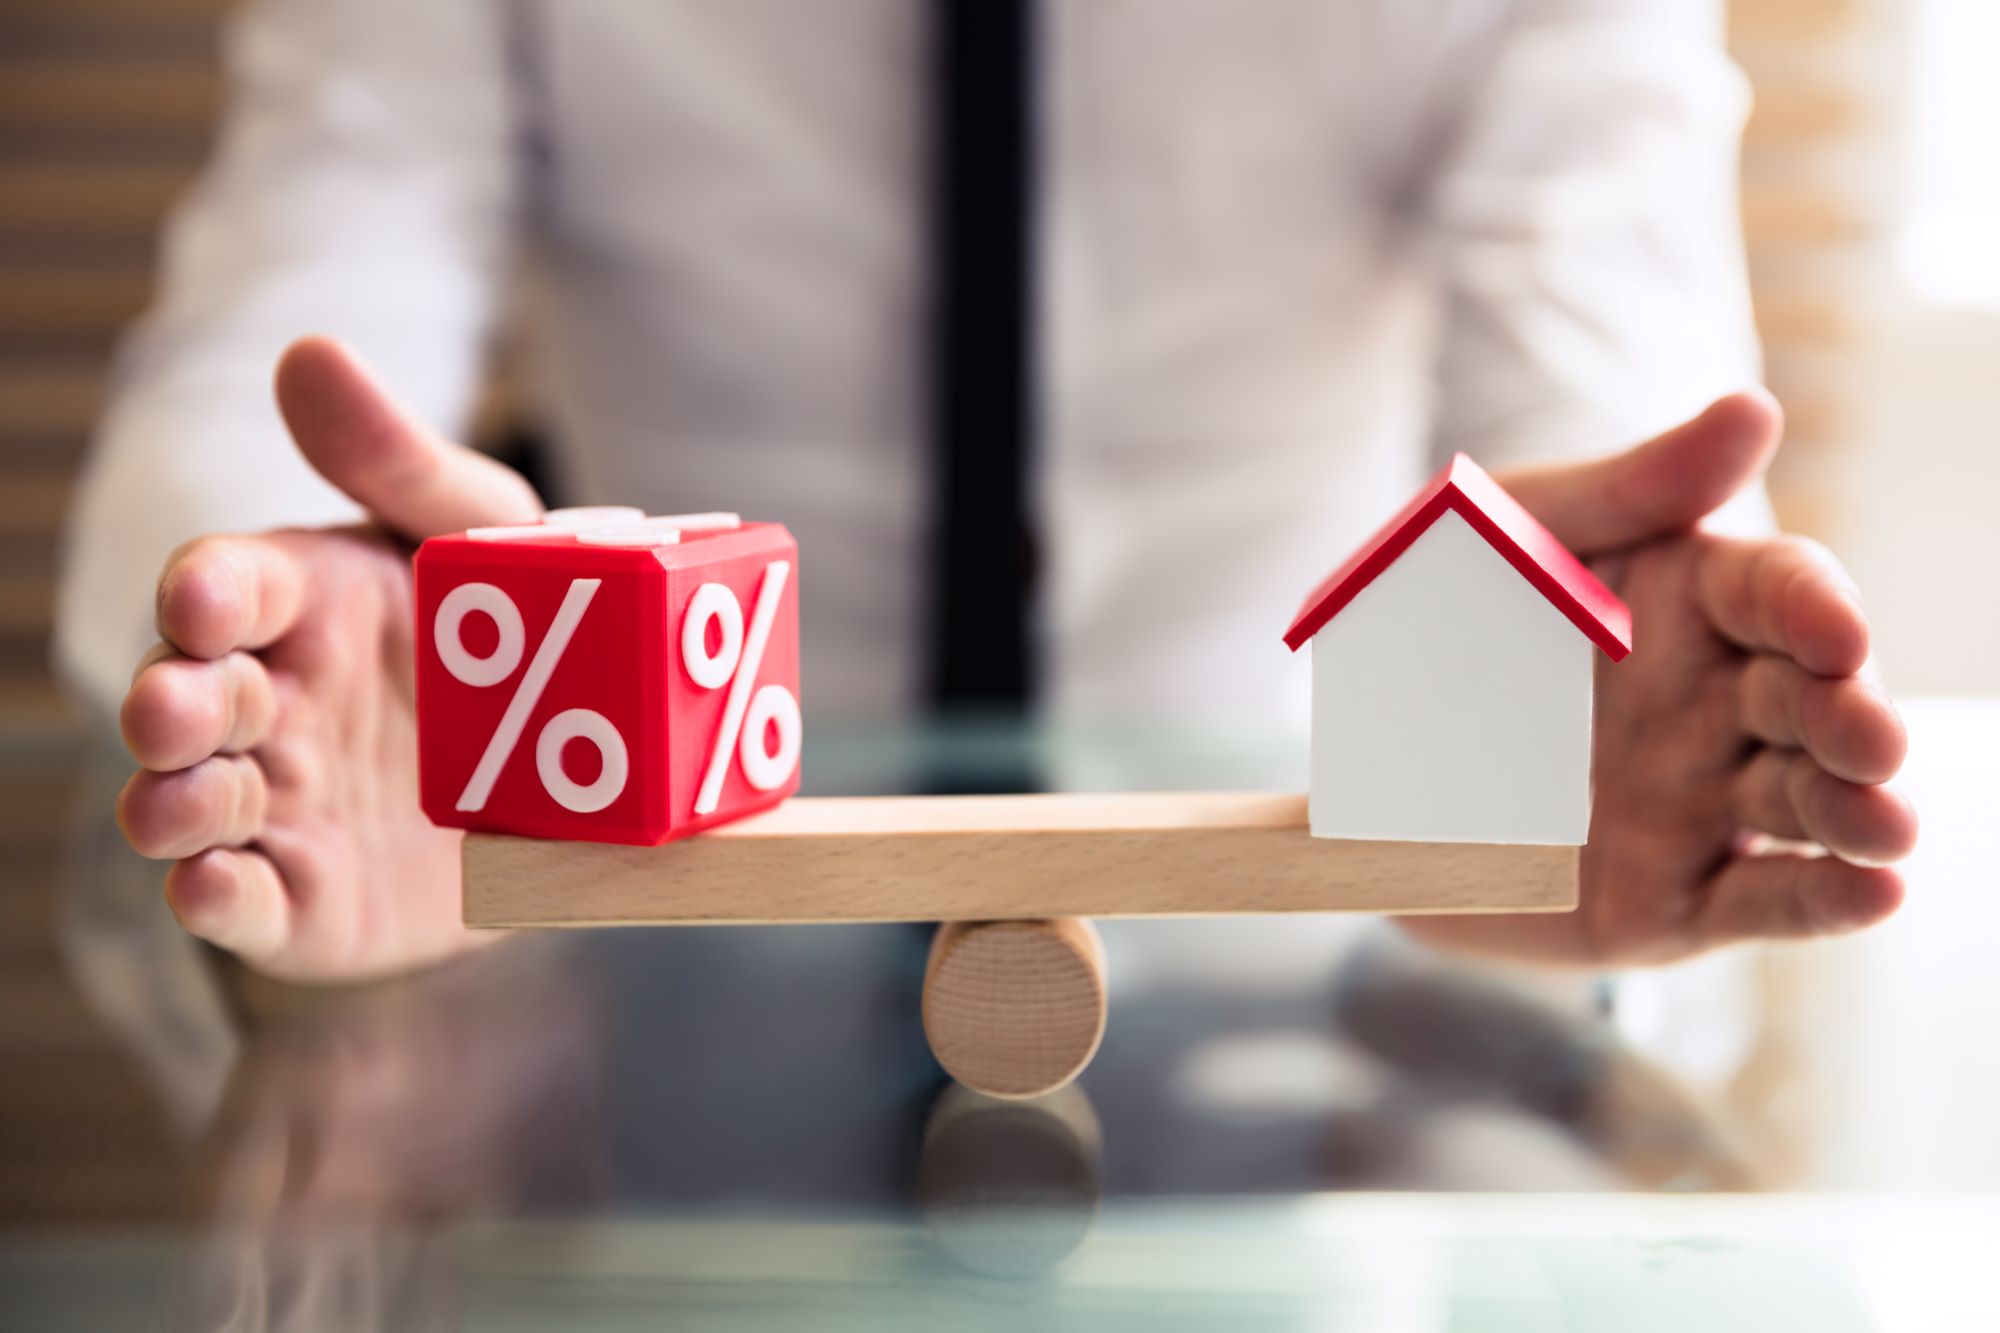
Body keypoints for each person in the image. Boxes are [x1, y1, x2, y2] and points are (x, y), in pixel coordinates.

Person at [56, 1, 1914, 984]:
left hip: (1308, 1007)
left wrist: (1611, 680)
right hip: (633, 983)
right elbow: (278, 323)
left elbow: (1612, 372)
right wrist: (282, 641)